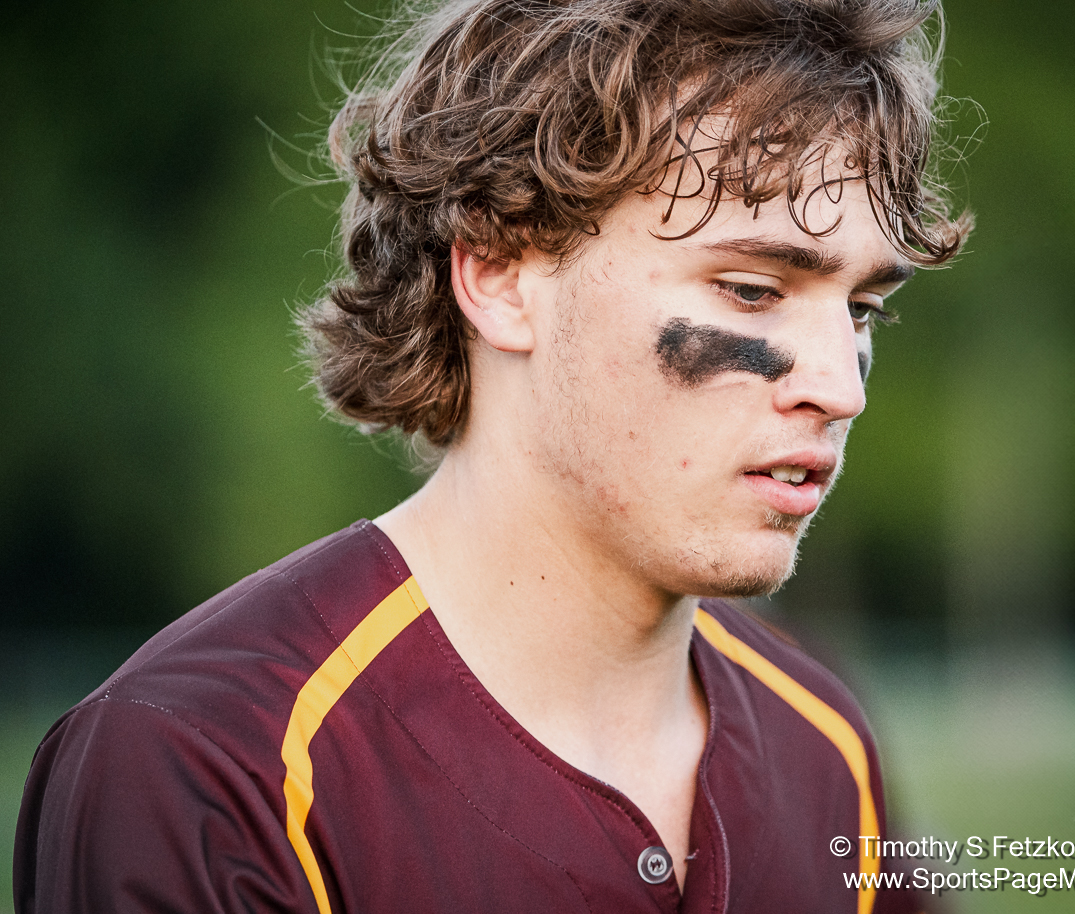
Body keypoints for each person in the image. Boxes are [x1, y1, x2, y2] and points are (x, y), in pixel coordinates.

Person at [15, 0, 970, 911]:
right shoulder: (207, 765)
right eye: (753, 290)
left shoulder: (824, 741)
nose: (840, 387)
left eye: (861, 310)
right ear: (501, 276)